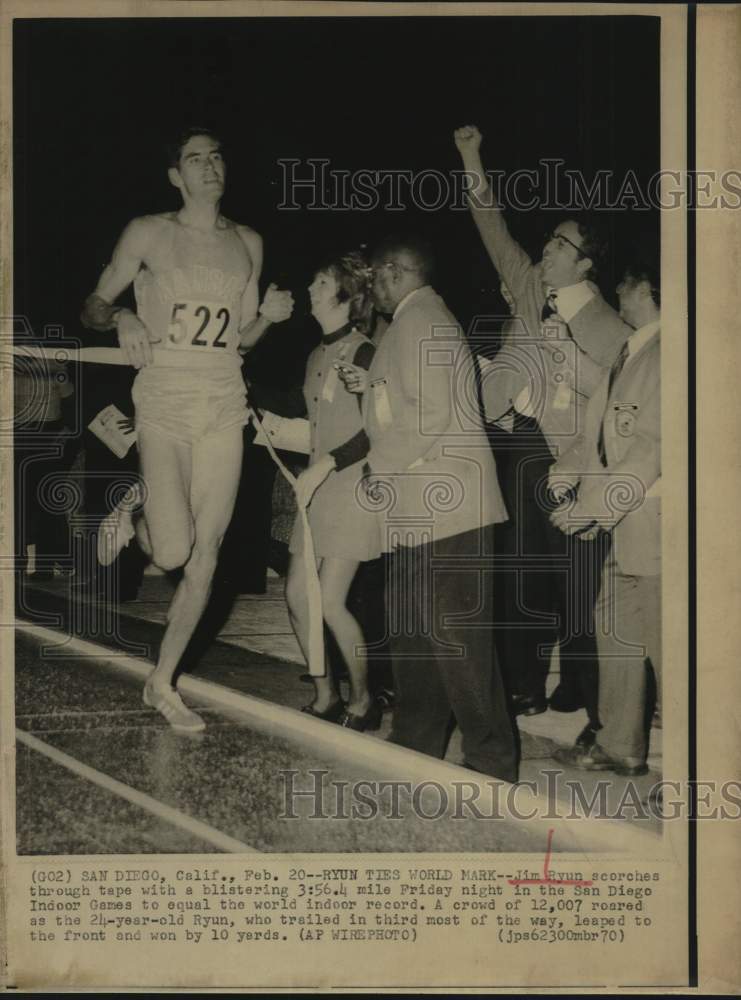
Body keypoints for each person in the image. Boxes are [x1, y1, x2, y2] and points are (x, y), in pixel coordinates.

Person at [80, 127, 293, 732]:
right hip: (165, 402)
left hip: (224, 401)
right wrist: (120, 314)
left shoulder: (248, 242)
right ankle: (137, 509)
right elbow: (91, 304)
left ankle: (162, 682)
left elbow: (242, 337)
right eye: (195, 159)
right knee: (171, 549)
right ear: (176, 176)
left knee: (207, 555)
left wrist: (269, 320)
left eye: (217, 155)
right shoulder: (148, 232)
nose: (210, 166)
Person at [298, 235, 518, 781]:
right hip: (422, 506)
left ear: (395, 273)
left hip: (451, 505)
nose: (368, 286)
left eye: (374, 276)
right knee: (416, 633)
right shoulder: (408, 325)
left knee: (458, 639)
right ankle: (416, 742)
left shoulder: (424, 321)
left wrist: (377, 467)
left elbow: (430, 416)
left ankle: (491, 760)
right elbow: (401, 407)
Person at [454, 124, 632, 748]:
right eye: (551, 240)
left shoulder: (608, 323)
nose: (548, 248)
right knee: (519, 572)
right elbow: (490, 224)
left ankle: (589, 703)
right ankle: (523, 683)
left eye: (563, 244)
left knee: (582, 584)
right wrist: (472, 155)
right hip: (527, 445)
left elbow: (617, 402)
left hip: (582, 460)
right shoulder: (529, 287)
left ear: (586, 263)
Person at [549, 253, 661, 775]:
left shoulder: (670, 354)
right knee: (614, 625)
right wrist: (569, 466)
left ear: (649, 290)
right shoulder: (631, 351)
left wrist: (589, 508)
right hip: (631, 523)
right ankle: (620, 745)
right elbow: (599, 428)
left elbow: (649, 452)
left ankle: (694, 772)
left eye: (628, 282)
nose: (620, 289)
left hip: (662, 525)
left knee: (668, 648)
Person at [262, 251, 382, 730]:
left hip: (352, 487)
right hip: (315, 490)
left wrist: (328, 462)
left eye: (320, 280)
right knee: (296, 596)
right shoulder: (317, 354)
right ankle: (326, 694)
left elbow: (375, 428)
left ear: (346, 296)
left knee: (330, 601)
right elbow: (309, 416)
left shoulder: (364, 352)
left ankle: (365, 700)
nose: (310, 288)